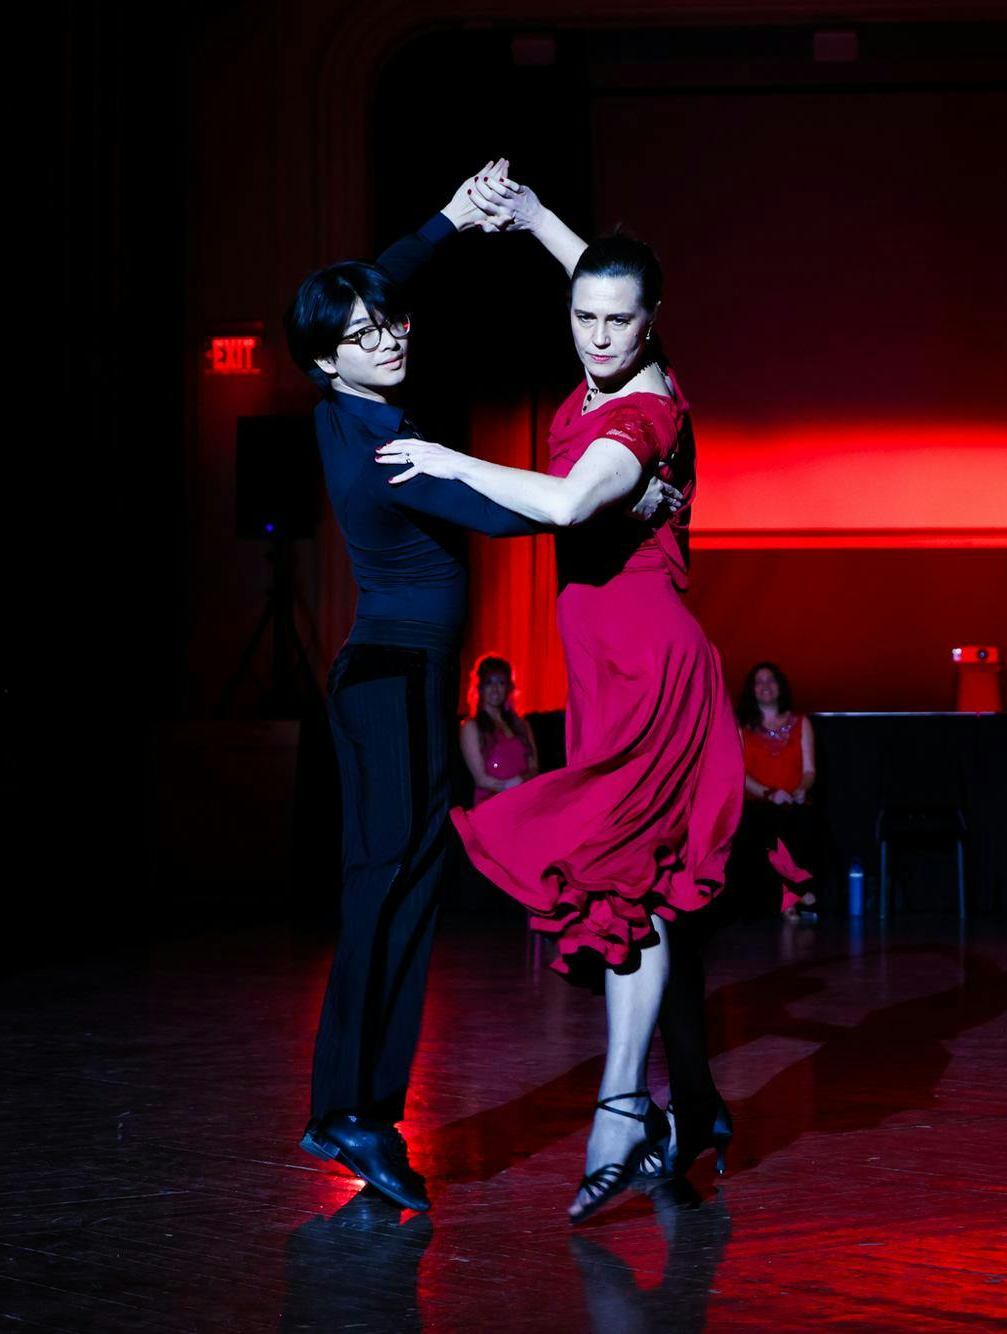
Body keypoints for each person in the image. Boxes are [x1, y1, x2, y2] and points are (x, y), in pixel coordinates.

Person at [283, 162, 681, 1215]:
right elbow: (524, 513)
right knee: (393, 887)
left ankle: (355, 1102)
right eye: (368, 335)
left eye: (391, 321)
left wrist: (446, 222)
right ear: (330, 361)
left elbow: (377, 285)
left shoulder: (343, 405)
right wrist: (629, 499)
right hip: (396, 681)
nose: (392, 335)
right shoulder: (384, 446)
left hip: (388, 677)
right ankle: (353, 1106)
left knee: (398, 884)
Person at [377, 175, 742, 1221]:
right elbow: (599, 272)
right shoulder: (614, 352)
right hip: (605, 671)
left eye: (618, 321)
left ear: (652, 325)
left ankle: (623, 1110)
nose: (595, 336)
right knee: (651, 888)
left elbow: (568, 501)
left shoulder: (643, 412)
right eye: (581, 316)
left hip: (650, 670)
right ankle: (693, 1104)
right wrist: (535, 217)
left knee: (631, 882)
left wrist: (446, 454)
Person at [738, 662, 822, 922]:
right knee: (770, 826)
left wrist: (799, 790)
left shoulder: (801, 723)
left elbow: (809, 770)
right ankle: (794, 895)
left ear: (780, 685)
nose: (765, 686)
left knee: (803, 825)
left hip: (794, 801)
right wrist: (769, 793)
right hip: (759, 801)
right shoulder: (742, 727)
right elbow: (738, 773)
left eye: (770, 680)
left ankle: (794, 895)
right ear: (752, 690)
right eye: (759, 681)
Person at [460, 653, 538, 807]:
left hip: (525, 801)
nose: (495, 689)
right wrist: (508, 787)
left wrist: (520, 782)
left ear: (509, 687)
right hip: (492, 805)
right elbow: (480, 778)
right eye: (489, 682)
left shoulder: (522, 726)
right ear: (480, 687)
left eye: (501, 683)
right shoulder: (471, 726)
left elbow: (534, 768)